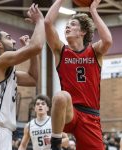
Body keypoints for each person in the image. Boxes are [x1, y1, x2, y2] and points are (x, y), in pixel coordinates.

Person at [0, 3, 45, 150]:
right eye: (8, 38)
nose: (13, 41)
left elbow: (33, 79)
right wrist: (40, 21)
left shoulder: (3, 69)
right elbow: (37, 46)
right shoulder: (0, 60)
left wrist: (32, 53)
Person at [44, 0, 112, 149]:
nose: (68, 26)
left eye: (73, 24)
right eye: (67, 24)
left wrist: (93, 10)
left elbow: (107, 40)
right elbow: (48, 22)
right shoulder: (60, 51)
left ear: (83, 32)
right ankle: (55, 145)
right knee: (62, 96)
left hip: (90, 115)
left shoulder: (94, 52)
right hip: (69, 112)